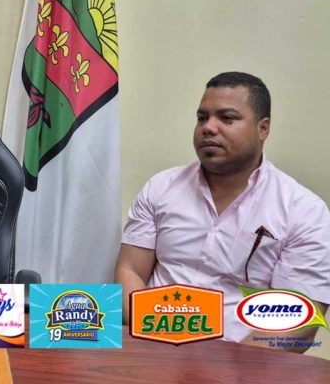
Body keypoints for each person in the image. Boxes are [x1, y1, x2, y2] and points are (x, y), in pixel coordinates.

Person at [115, 72, 330, 351]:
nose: (208, 127)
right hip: (151, 348)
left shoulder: (305, 212)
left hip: (244, 362)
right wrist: (156, 341)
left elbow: (297, 324)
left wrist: (224, 366)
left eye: (227, 118)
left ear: (263, 128)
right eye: (202, 117)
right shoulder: (161, 187)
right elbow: (130, 269)